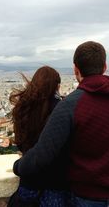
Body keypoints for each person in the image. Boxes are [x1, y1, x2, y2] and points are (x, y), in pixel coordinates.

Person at [13, 41, 109, 207]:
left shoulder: (71, 104)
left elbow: (43, 154)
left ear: (76, 70)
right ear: (105, 66)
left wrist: (18, 166)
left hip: (86, 196)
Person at [8, 66, 71, 207]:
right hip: (55, 181)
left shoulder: (23, 108)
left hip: (29, 179)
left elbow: (20, 142)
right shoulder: (61, 109)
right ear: (58, 86)